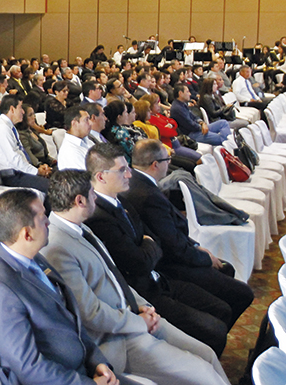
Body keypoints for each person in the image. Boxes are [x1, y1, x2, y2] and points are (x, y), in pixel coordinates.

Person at [41, 170, 230, 385]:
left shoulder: (80, 227)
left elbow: (114, 277)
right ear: (80, 200)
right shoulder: (57, 247)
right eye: (92, 193)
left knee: (207, 355)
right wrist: (137, 322)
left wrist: (143, 306)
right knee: (204, 375)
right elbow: (90, 313)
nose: (96, 197)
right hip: (117, 338)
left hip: (135, 317)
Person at [85, 143, 233, 357]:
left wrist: (148, 246)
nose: (129, 174)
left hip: (159, 278)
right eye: (122, 170)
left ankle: (202, 358)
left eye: (128, 168)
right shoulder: (99, 217)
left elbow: (154, 241)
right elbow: (139, 263)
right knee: (214, 330)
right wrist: (149, 246)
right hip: (144, 293)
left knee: (222, 309)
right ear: (101, 177)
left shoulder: (121, 200)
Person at [0, 189, 120, 385]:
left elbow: (70, 317)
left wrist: (97, 361)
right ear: (27, 233)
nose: (49, 222)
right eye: (43, 218)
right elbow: (30, 368)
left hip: (81, 370)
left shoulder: (33, 257)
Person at [121, 139, 254, 330]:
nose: (170, 163)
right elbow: (172, 247)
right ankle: (212, 337)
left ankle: (214, 330)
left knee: (227, 270)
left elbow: (172, 235)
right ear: (155, 164)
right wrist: (204, 258)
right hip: (171, 266)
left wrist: (196, 246)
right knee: (242, 294)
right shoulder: (148, 195)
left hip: (175, 253)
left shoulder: (139, 182)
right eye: (168, 159)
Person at [0, 95, 52, 192]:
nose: (23, 112)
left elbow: (20, 154)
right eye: (20, 108)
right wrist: (36, 171)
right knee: (50, 186)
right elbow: (14, 159)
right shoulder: (2, 129)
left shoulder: (8, 127)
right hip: (13, 175)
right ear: (12, 109)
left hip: (20, 171)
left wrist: (36, 168)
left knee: (55, 178)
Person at [57, 105, 94, 170]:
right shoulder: (69, 152)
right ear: (74, 123)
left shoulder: (86, 139)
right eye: (86, 120)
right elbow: (84, 178)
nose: (91, 123)